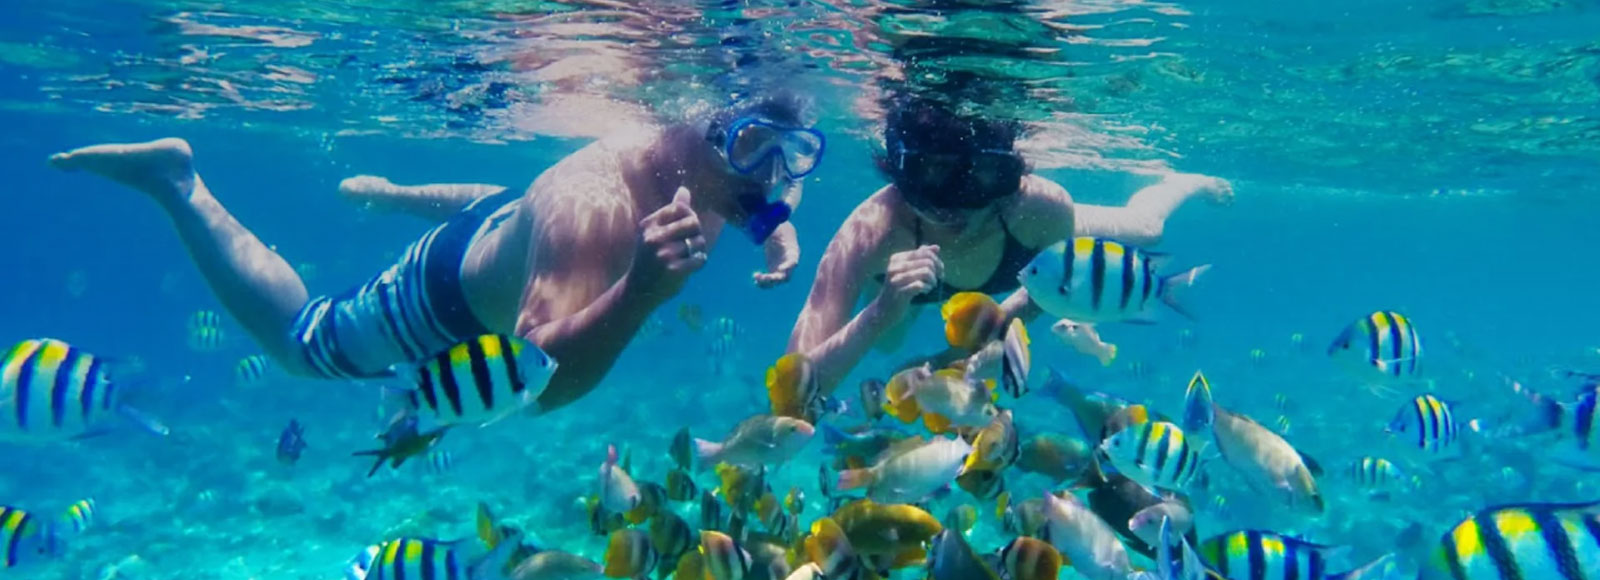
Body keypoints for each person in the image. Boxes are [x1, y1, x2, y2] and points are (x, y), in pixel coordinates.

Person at [48, 92, 825, 414]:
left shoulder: (708, 170)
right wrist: (642, 293)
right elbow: (537, 384)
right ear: (700, 131)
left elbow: (764, 198)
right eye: (755, 149)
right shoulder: (594, 214)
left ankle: (392, 193)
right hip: (440, 300)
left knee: (504, 206)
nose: (770, 178)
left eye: (793, 156)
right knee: (300, 343)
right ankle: (179, 184)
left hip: (501, 222)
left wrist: (776, 227)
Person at [786, 96, 1232, 392]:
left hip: (1023, 233)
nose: (956, 207)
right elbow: (796, 382)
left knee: (1147, 227)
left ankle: (1185, 182)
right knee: (887, 342)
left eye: (980, 177)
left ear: (1006, 175)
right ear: (900, 173)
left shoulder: (1040, 206)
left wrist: (952, 355)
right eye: (934, 174)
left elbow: (1051, 297)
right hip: (900, 286)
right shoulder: (872, 230)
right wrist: (881, 311)